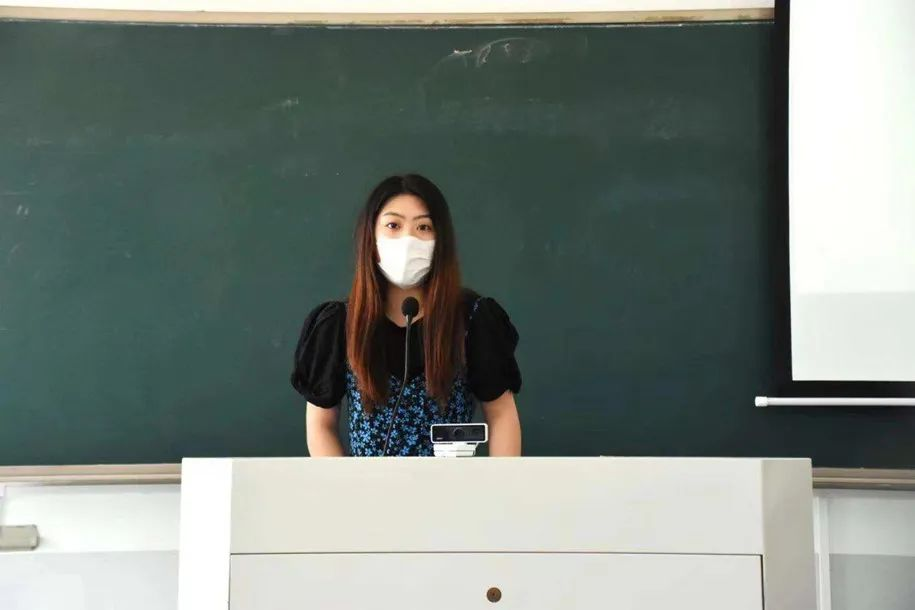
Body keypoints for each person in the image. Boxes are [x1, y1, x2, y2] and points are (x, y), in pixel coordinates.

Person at [291, 174, 522, 457]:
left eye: (423, 227)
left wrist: (499, 482)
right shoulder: (339, 323)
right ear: (370, 237)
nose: (408, 240)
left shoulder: (473, 318)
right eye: (393, 225)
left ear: (441, 240)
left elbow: (501, 415)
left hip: (455, 483)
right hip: (368, 485)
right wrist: (346, 484)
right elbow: (321, 425)